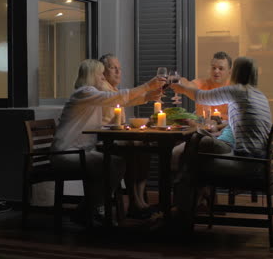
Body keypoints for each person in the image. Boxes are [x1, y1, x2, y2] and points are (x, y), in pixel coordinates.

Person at [50, 59, 164, 223]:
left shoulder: (90, 95)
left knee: (116, 163)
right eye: (100, 74)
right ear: (91, 75)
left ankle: (88, 209)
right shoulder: (84, 92)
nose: (103, 77)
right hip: (67, 154)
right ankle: (92, 208)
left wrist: (147, 97)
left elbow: (119, 100)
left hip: (81, 151)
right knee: (115, 164)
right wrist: (147, 86)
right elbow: (115, 97)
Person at [169, 56, 272, 232]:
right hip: (258, 160)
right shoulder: (258, 94)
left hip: (246, 163)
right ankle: (191, 202)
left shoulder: (239, 91)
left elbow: (202, 97)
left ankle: (183, 205)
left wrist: (179, 88)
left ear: (236, 72)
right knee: (199, 146)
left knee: (196, 147)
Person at [99, 53, 153, 218]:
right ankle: (135, 202)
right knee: (131, 149)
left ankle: (139, 199)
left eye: (119, 68)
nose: (118, 71)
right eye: (113, 68)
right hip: (102, 140)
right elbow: (124, 98)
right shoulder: (102, 88)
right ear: (103, 72)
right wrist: (147, 88)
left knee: (144, 147)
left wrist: (148, 97)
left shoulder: (113, 89)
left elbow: (126, 100)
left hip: (115, 138)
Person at [171, 51, 234, 176]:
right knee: (176, 152)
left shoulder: (233, 89)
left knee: (185, 153)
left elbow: (234, 123)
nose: (216, 71)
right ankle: (185, 187)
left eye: (221, 68)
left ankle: (191, 186)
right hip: (198, 133)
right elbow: (188, 84)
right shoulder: (202, 84)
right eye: (214, 67)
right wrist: (179, 81)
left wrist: (217, 125)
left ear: (229, 72)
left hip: (221, 138)